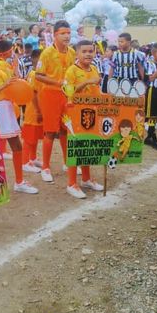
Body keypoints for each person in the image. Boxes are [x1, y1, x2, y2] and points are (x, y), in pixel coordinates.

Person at [0, 40, 38, 196]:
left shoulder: (1, 68)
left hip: (7, 109)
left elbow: (14, 85)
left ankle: (19, 182)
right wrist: (4, 85)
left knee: (17, 146)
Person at [35, 21, 76, 183]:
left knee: (66, 129)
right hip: (50, 96)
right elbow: (39, 75)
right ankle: (45, 167)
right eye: (62, 33)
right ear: (55, 35)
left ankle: (67, 162)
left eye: (68, 33)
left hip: (67, 96)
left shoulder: (72, 52)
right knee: (50, 132)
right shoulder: (47, 53)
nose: (66, 36)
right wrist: (58, 82)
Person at [63, 40, 105, 198]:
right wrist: (86, 82)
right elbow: (67, 92)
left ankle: (86, 179)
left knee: (87, 146)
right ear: (77, 53)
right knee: (75, 147)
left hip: (92, 113)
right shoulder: (72, 71)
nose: (88, 54)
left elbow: (96, 91)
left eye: (91, 51)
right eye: (84, 51)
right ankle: (71, 183)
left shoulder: (94, 68)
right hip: (75, 114)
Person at [21, 49, 43, 173]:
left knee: (35, 137)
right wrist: (38, 111)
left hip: (39, 109)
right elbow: (33, 94)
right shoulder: (34, 74)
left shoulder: (37, 74)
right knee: (29, 137)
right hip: (33, 110)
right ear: (35, 58)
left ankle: (33, 158)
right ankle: (24, 162)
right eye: (42, 58)